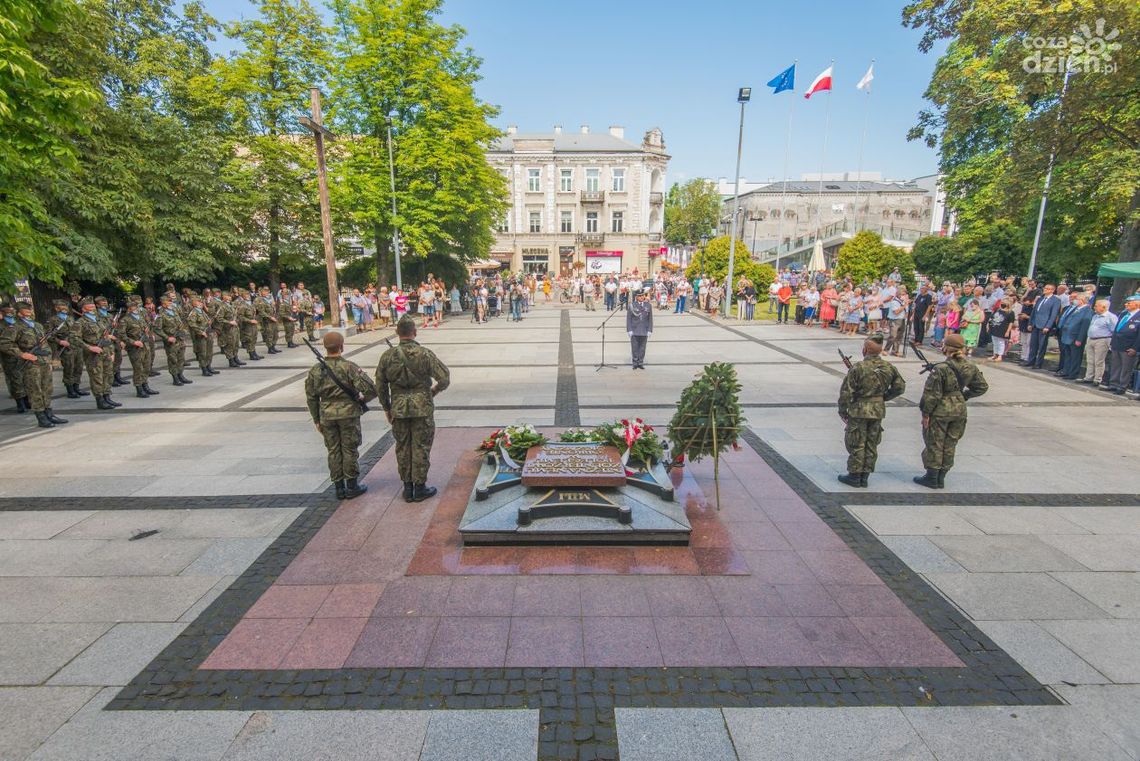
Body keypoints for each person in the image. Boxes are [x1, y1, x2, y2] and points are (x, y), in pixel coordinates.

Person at [376, 316, 451, 502]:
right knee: (421, 446)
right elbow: (444, 378)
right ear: (414, 332)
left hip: (399, 408)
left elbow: (380, 385)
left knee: (402, 446)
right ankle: (420, 486)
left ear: (397, 333)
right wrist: (432, 391)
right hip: (422, 406)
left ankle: (407, 487)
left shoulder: (387, 356)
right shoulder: (424, 353)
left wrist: (387, 407)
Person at [305, 331, 378, 500]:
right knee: (349, 448)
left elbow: (311, 396)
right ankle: (352, 485)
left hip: (327, 415)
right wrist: (362, 398)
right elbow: (371, 389)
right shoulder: (349, 367)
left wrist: (316, 418)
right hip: (349, 414)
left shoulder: (316, 370)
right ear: (342, 346)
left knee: (333, 450)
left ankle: (339, 488)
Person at [914, 333, 989, 489]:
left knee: (935, 442)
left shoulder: (941, 369)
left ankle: (932, 476)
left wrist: (925, 413)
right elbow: (981, 386)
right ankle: (942, 476)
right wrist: (963, 395)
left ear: (946, 347)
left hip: (940, 410)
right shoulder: (970, 366)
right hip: (959, 410)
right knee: (950, 443)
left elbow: (931, 395)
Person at [837, 333, 905, 487]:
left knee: (856, 442)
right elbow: (900, 387)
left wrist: (842, 410)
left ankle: (854, 475)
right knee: (871, 443)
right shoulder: (888, 367)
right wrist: (883, 397)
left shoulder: (858, 368)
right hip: (877, 410)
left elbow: (846, 392)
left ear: (865, 349)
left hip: (859, 410)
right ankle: (865, 475)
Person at [0, 302, 67, 428]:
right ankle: (41, 416)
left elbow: (45, 344)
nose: (29, 312)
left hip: (43, 361)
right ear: (19, 312)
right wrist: (22, 354)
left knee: (47, 388)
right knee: (35, 390)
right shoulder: (15, 327)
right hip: (30, 364)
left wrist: (49, 360)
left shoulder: (37, 325)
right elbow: (5, 344)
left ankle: (49, 413)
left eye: (29, 309)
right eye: (26, 310)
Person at [72, 297, 120, 408]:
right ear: (83, 309)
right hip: (93, 355)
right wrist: (89, 347)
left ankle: (107, 397)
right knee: (97, 377)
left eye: (93, 306)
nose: (93, 307)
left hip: (106, 352)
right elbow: (73, 338)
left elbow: (106, 336)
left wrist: (111, 351)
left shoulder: (100, 320)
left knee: (108, 375)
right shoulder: (80, 323)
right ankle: (100, 400)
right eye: (90, 306)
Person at [118, 299, 158, 397]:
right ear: (129, 308)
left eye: (136, 306)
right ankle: (139, 388)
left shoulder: (141, 317)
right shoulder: (125, 320)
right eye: (133, 307)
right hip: (135, 348)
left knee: (146, 367)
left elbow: (147, 328)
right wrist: (133, 342)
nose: (136, 308)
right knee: (138, 369)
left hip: (145, 346)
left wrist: (148, 331)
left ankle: (145, 385)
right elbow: (121, 335)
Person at [154, 294, 193, 387]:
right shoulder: (161, 315)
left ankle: (181, 375)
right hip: (171, 340)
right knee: (173, 359)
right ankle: (175, 377)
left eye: (171, 301)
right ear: (163, 303)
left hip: (180, 338)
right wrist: (167, 337)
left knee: (181, 358)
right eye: (169, 301)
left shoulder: (174, 311)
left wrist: (183, 329)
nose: (171, 303)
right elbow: (157, 329)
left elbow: (181, 320)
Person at [1104, 293, 1140, 394]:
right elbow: (1117, 329)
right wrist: (1113, 342)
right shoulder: (1124, 314)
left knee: (1126, 368)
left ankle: (1122, 386)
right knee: (1116, 365)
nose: (1126, 305)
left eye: (1129, 303)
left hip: (1129, 347)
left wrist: (1135, 348)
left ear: (1137, 304)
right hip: (1117, 344)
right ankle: (1113, 384)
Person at [1079, 299, 1117, 384]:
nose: (1094, 307)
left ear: (1103, 307)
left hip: (1102, 340)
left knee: (1099, 361)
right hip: (1091, 339)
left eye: (1096, 306)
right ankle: (1088, 377)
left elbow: (1114, 330)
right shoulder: (1095, 316)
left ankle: (1097, 379)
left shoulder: (1111, 317)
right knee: (1090, 360)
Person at [1023, 283, 1060, 369]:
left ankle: (1038, 363)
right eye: (1045, 288)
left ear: (1052, 290)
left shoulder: (1055, 300)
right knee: (1033, 344)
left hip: (1044, 326)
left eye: (1047, 289)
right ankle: (1030, 361)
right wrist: (1030, 323)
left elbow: (1053, 315)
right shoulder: (1041, 299)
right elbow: (1034, 312)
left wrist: (1048, 326)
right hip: (1035, 324)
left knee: (1042, 345)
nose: (1045, 290)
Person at [1056, 294, 1091, 380]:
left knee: (1075, 356)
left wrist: (1080, 339)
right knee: (1068, 355)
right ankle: (1066, 371)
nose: (1075, 300)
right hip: (1067, 336)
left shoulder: (1087, 311)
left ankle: (1073, 373)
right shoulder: (1075, 309)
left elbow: (1084, 327)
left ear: (1082, 300)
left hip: (1075, 338)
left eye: (1077, 299)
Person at [186, 294, 218, 377]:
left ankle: (208, 366)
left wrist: (209, 323)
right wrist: (200, 332)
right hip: (201, 335)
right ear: (194, 303)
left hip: (208, 333)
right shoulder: (193, 313)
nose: (201, 303)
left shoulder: (202, 311)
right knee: (203, 352)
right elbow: (191, 324)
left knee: (209, 351)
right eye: (198, 302)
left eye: (201, 302)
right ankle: (204, 368)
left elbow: (206, 322)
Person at [627, 287, 654, 370]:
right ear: (636, 297)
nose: (642, 297)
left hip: (644, 330)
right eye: (640, 296)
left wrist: (650, 330)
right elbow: (629, 318)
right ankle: (635, 363)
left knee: (642, 348)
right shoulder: (632, 305)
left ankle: (640, 362)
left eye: (643, 295)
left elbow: (650, 319)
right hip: (635, 330)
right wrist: (629, 330)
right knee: (634, 348)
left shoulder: (648, 305)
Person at [235, 290, 262, 361]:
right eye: (246, 296)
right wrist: (250, 320)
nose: (248, 297)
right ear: (243, 297)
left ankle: (254, 352)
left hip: (253, 325)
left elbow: (255, 313)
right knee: (249, 339)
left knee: (254, 339)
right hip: (247, 325)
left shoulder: (251, 304)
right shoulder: (242, 305)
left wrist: (256, 319)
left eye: (249, 295)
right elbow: (240, 317)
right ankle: (251, 354)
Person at [256, 286, 280, 353]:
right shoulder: (260, 300)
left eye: (267, 291)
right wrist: (270, 317)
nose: (266, 292)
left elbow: (274, 308)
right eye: (264, 291)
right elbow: (261, 311)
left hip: (274, 319)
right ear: (261, 292)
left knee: (276, 334)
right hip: (267, 320)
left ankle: (273, 346)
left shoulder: (269, 299)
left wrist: (275, 316)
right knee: (269, 334)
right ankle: (270, 348)